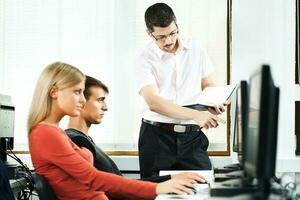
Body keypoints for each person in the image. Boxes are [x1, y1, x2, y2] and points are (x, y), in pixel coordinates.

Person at [28, 62, 197, 200]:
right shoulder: (45, 134)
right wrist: (158, 187)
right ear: (54, 92)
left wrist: (165, 183)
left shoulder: (53, 132)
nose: (82, 99)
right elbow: (93, 178)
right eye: (77, 92)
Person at [136, 3, 228, 178]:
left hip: (192, 138)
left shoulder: (196, 48)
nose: (169, 41)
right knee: (155, 192)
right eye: (161, 37)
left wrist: (214, 101)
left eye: (172, 33)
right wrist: (196, 115)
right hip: (156, 138)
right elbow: (154, 103)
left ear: (177, 25)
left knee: (203, 187)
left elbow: (207, 83)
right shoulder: (144, 58)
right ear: (150, 33)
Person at [66, 75, 205, 183]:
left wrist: (172, 178)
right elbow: (113, 188)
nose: (105, 107)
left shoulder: (82, 140)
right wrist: (169, 181)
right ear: (80, 101)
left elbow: (117, 184)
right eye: (100, 100)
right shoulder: (77, 142)